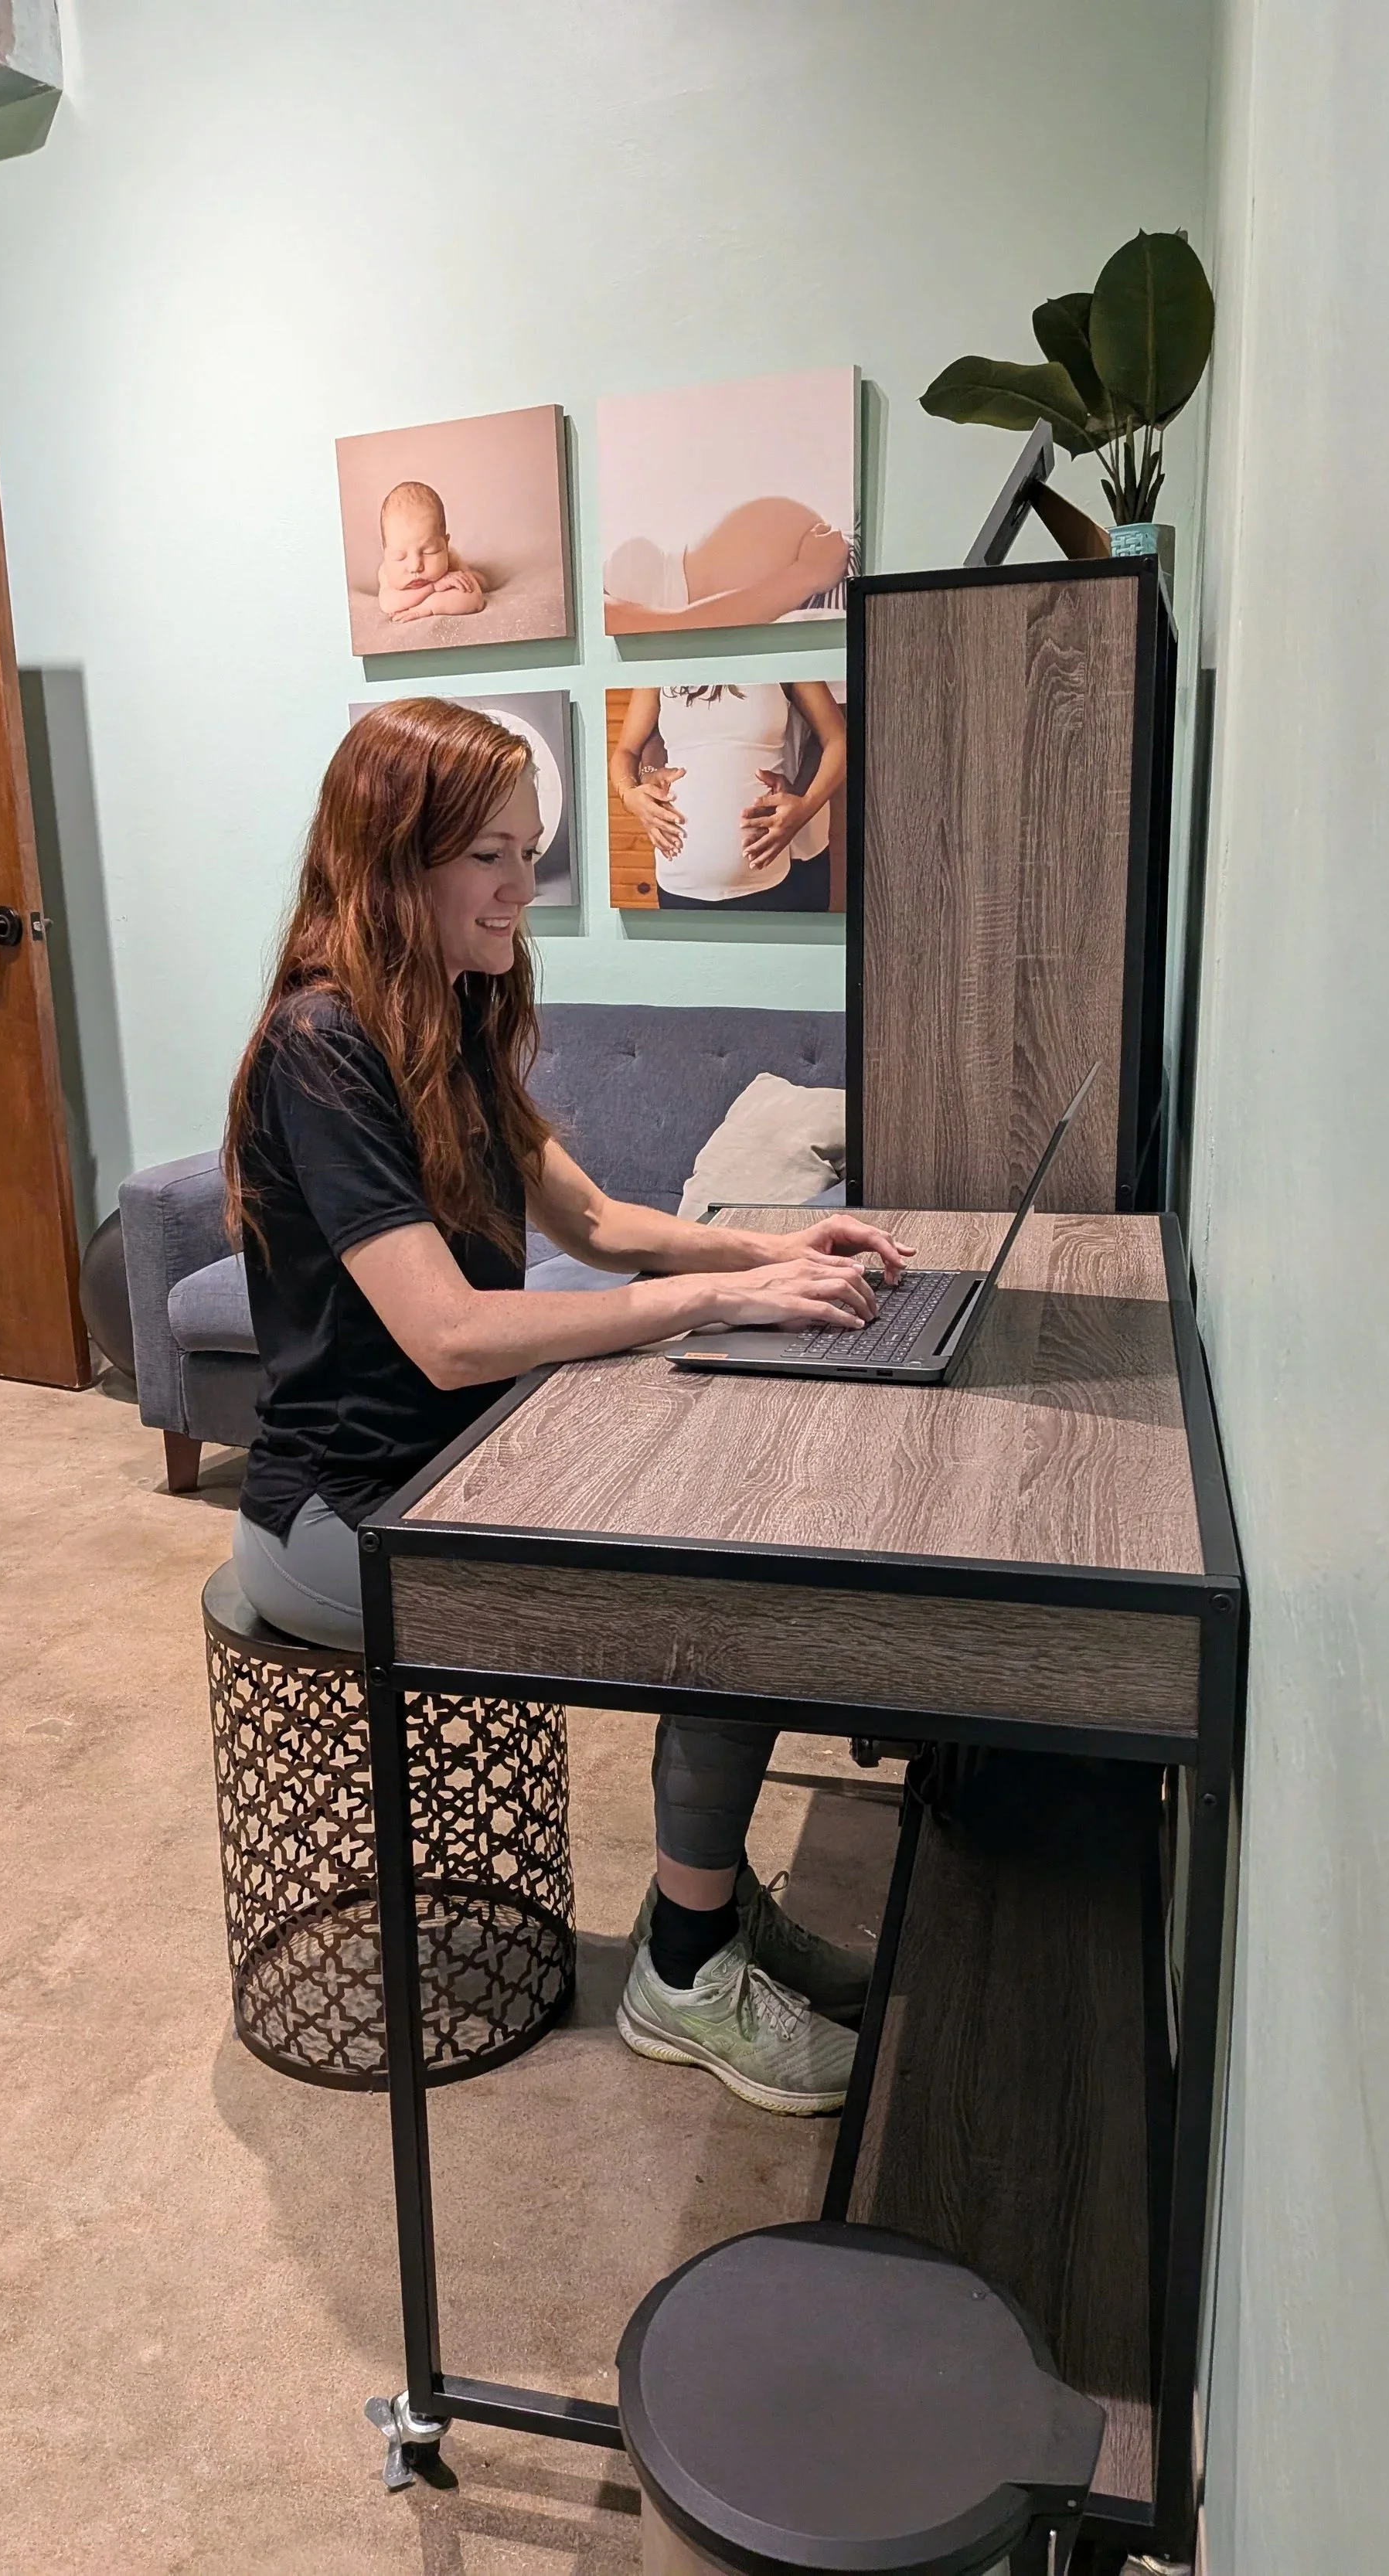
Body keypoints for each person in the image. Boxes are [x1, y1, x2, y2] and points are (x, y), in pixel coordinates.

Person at [223, 698, 914, 2115]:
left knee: (740, 1537)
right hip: (345, 1518)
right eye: (488, 855)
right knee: (729, 1601)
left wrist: (771, 1248)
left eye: (526, 853)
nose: (518, 890)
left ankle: (702, 1914)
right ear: (388, 860)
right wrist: (712, 1303)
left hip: (461, 1473)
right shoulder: (323, 1046)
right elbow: (452, 1332)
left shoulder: (450, 1020)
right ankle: (683, 1970)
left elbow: (592, 1217)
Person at [611, 682, 846, 911]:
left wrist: (806, 805)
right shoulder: (662, 663)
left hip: (770, 874)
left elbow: (837, 739)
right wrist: (630, 795)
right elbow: (627, 751)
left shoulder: (782, 653)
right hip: (678, 880)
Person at [603, 496, 850, 634]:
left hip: (830, 561)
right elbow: (676, 632)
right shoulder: (583, 618)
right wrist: (804, 576)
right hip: (812, 586)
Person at [376, 480, 487, 622]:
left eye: (429, 552)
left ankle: (476, 576)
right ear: (386, 553)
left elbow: (474, 600)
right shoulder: (386, 571)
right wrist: (433, 587)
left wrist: (427, 608)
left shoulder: (451, 562)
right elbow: (389, 604)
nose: (415, 566)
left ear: (445, 546)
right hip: (435, 585)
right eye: (400, 557)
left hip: (457, 568)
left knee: (477, 581)